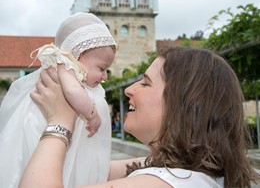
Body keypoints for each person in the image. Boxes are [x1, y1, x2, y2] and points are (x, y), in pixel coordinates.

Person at [19, 46, 260, 187]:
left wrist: (59, 123)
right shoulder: (185, 171)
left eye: (145, 83)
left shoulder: (162, 183)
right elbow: (93, 167)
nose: (128, 89)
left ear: (182, 104)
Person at [0, 12, 116, 188]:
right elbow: (72, 91)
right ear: (79, 56)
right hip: (40, 125)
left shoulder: (67, 69)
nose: (104, 76)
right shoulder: (65, 65)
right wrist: (92, 114)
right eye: (102, 68)